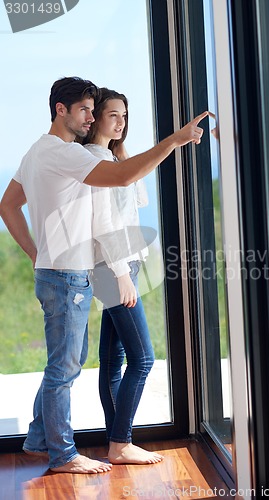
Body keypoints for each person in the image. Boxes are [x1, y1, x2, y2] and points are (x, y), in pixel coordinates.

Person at [0, 76, 207, 474]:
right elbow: (123, 177)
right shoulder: (67, 154)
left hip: (59, 272)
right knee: (65, 369)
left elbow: (8, 205)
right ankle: (63, 455)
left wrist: (34, 252)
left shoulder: (36, 151)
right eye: (85, 110)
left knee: (69, 362)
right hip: (67, 275)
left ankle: (41, 438)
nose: (90, 118)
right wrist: (174, 141)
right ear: (60, 109)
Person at [82, 88, 162, 465]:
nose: (121, 122)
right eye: (113, 115)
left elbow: (139, 200)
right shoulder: (93, 161)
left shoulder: (111, 158)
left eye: (125, 116)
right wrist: (121, 274)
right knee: (142, 359)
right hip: (114, 267)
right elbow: (104, 225)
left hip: (122, 265)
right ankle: (120, 441)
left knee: (113, 359)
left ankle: (117, 441)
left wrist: (124, 156)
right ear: (94, 117)